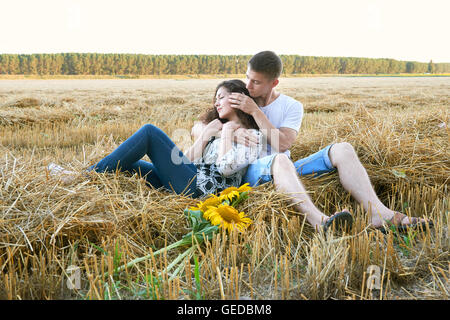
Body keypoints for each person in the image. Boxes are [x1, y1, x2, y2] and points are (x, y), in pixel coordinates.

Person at [192, 51, 432, 233]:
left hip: (283, 167)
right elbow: (200, 126)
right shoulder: (240, 95)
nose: (248, 86)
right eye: (247, 78)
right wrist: (229, 132)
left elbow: (283, 144)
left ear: (274, 83)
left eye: (256, 82)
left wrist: (255, 112)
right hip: (248, 172)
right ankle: (320, 222)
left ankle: (380, 214)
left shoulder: (290, 106)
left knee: (342, 149)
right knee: (278, 161)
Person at [48, 80, 263, 199]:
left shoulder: (252, 136)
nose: (216, 103)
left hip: (201, 191)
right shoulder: (216, 129)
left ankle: (77, 179)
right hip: (189, 179)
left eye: (221, 97)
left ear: (237, 99)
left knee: (149, 132)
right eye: (215, 98)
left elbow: (225, 169)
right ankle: (86, 183)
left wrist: (226, 134)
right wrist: (206, 136)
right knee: (127, 166)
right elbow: (185, 160)